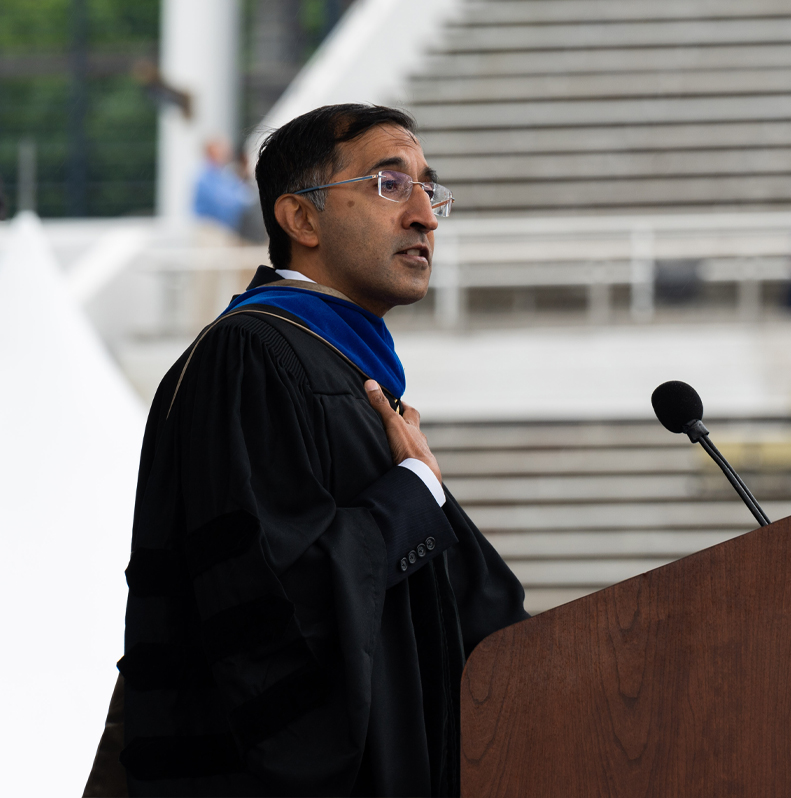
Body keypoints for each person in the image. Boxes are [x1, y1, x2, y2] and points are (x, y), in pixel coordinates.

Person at [91, 104, 529, 797]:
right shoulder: (250, 357)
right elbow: (270, 609)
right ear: (301, 220)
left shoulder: (342, 373)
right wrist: (411, 496)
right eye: (391, 184)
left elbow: (467, 619)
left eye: (429, 189)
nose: (426, 217)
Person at [193, 137, 256, 233]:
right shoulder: (206, 176)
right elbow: (226, 201)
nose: (226, 152)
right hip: (210, 229)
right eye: (221, 149)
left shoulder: (222, 173)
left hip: (223, 229)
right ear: (212, 151)